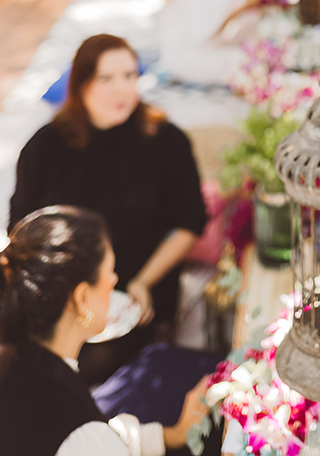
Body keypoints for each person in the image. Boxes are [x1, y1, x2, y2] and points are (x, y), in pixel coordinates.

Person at [9, 34, 207, 382]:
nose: (122, 89)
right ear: (81, 84)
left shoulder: (167, 141)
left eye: (130, 75)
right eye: (106, 78)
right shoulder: (44, 147)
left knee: (83, 368)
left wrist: (144, 282)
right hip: (60, 294)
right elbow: (21, 230)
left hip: (134, 291)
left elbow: (188, 223)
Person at [0, 205, 208, 456]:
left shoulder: (16, 358)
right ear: (82, 298)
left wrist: (171, 435)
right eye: (108, 272)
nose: (114, 280)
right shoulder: (80, 431)